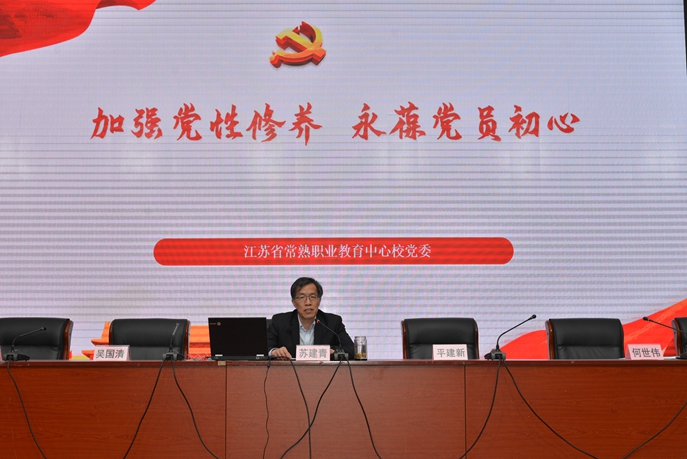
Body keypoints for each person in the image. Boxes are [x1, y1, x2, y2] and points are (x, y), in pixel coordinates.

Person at [268, 277, 355, 360]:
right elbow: (264, 348)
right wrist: (274, 352)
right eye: (302, 297)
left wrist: (332, 351)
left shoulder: (333, 322)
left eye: (312, 297)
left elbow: (352, 350)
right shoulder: (280, 322)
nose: (308, 303)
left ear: (319, 300)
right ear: (294, 302)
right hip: (288, 370)